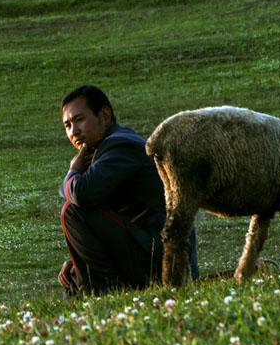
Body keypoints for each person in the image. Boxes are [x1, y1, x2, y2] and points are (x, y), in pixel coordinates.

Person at [58, 85, 198, 296]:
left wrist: (72, 172)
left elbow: (81, 193)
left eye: (79, 120)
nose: (73, 131)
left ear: (104, 116)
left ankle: (109, 293)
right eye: (67, 125)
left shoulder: (121, 145)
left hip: (163, 260)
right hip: (152, 253)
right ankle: (92, 286)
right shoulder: (105, 150)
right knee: (77, 275)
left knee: (73, 211)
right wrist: (81, 259)